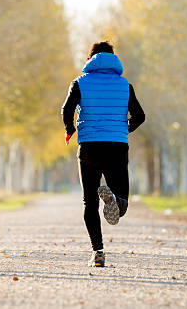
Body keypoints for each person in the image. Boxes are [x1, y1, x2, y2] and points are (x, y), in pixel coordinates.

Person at [61, 41, 145, 267]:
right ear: (113, 59)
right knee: (122, 204)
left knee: (89, 202)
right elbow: (140, 116)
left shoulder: (79, 83)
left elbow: (67, 109)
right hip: (117, 146)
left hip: (89, 146)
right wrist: (123, 129)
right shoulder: (125, 85)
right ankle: (116, 199)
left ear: (90, 59)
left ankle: (97, 252)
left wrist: (70, 130)